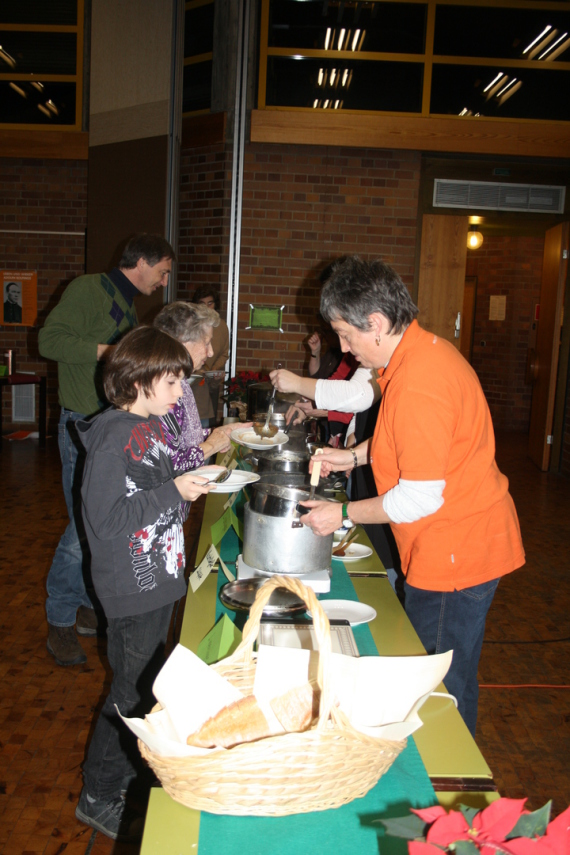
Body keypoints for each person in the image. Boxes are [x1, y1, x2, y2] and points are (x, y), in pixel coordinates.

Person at [299, 256, 525, 737]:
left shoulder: (421, 381)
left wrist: (342, 513)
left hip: (455, 552)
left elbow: (419, 498)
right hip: (458, 540)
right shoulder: (420, 355)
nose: (344, 348)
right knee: (443, 674)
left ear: (376, 323)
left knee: (438, 688)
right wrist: (354, 457)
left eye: (345, 335)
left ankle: (443, 776)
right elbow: (407, 441)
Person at [74, 326, 211, 842]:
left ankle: (129, 774)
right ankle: (97, 794)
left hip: (157, 579)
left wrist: (185, 488)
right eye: (172, 382)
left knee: (144, 686)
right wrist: (172, 491)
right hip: (132, 587)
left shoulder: (150, 426)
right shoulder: (113, 436)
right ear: (139, 380)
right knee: (129, 694)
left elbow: (153, 492)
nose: (180, 392)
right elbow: (107, 519)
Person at [38, 233, 175, 667]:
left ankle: (83, 607)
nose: (164, 282)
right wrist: (110, 352)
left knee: (102, 526)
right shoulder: (88, 289)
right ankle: (60, 619)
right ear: (142, 262)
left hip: (114, 428)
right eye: (163, 272)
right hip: (84, 426)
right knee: (86, 527)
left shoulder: (126, 304)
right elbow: (48, 341)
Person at [153, 301, 247, 475]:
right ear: (183, 341)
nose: (210, 352)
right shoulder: (159, 388)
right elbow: (166, 464)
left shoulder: (180, 380)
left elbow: (184, 438)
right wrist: (211, 445)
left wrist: (219, 433)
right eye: (206, 342)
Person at [190, 286, 229, 426]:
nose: (206, 307)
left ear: (215, 305)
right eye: (202, 303)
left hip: (211, 381)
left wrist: (213, 369)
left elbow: (224, 353)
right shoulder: (190, 325)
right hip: (192, 381)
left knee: (208, 420)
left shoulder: (221, 326)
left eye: (210, 303)